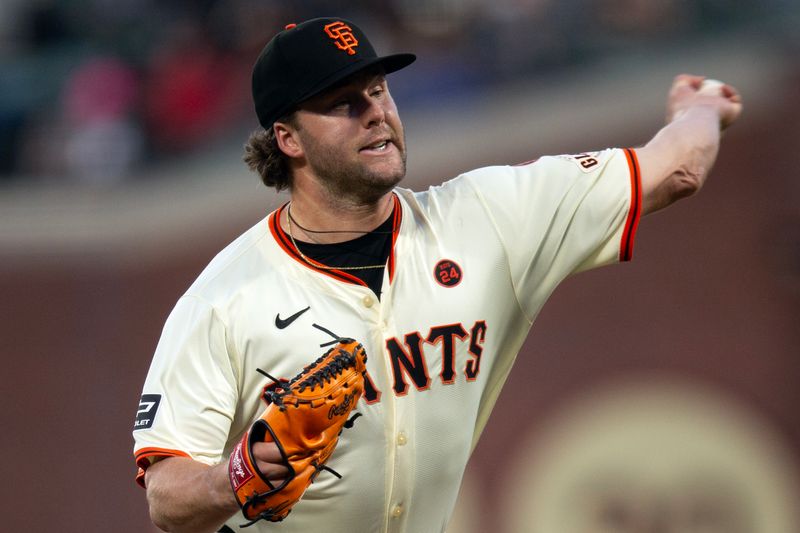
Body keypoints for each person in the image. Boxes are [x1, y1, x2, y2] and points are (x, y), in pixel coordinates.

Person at [132, 17, 742, 533]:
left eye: (378, 91)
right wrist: (241, 473)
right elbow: (168, 498)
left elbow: (674, 171)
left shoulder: (487, 219)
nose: (375, 113)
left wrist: (701, 110)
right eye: (344, 103)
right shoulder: (224, 297)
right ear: (287, 138)